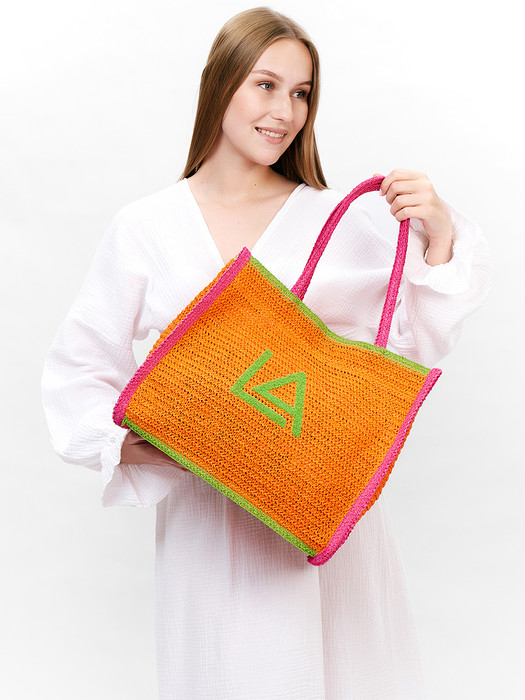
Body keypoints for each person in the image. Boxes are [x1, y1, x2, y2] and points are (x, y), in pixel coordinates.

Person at [42, 7, 490, 699]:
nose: (285, 111)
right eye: (265, 84)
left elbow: (405, 347)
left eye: (301, 92)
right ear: (219, 84)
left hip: (319, 522)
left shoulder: (334, 218)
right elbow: (80, 366)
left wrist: (437, 232)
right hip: (210, 530)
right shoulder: (146, 227)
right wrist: (150, 445)